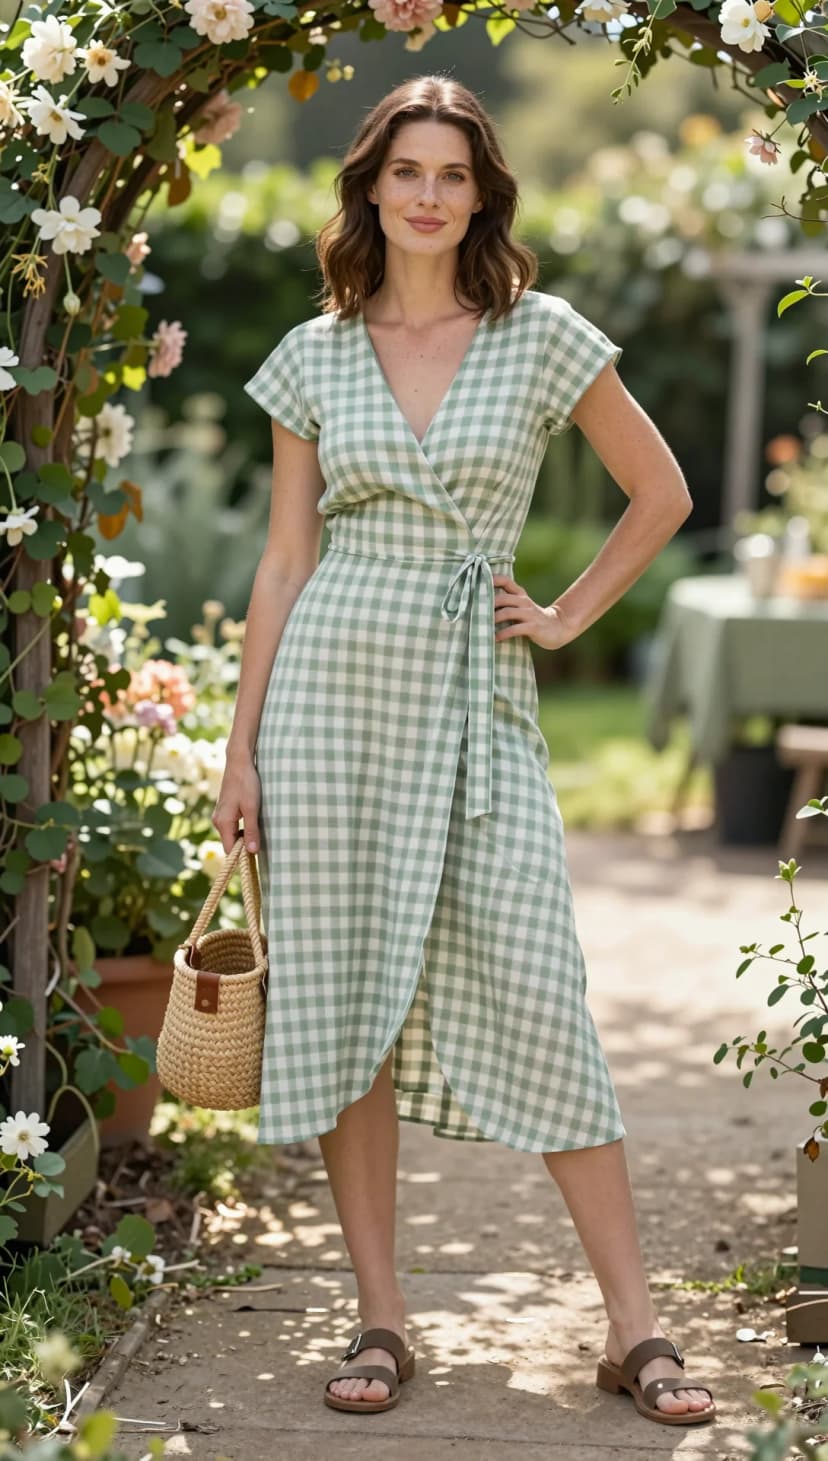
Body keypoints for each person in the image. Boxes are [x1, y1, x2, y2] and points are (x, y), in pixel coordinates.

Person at [213, 74, 716, 1428]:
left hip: (473, 696)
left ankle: (635, 1325)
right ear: (370, 187)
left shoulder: (541, 335)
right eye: (406, 171)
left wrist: (560, 617)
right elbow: (283, 557)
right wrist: (239, 749)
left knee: (542, 986)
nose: (429, 193)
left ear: (482, 193)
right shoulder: (315, 354)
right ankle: (382, 1312)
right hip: (329, 703)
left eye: (454, 174)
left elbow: (660, 492)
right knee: (346, 1010)